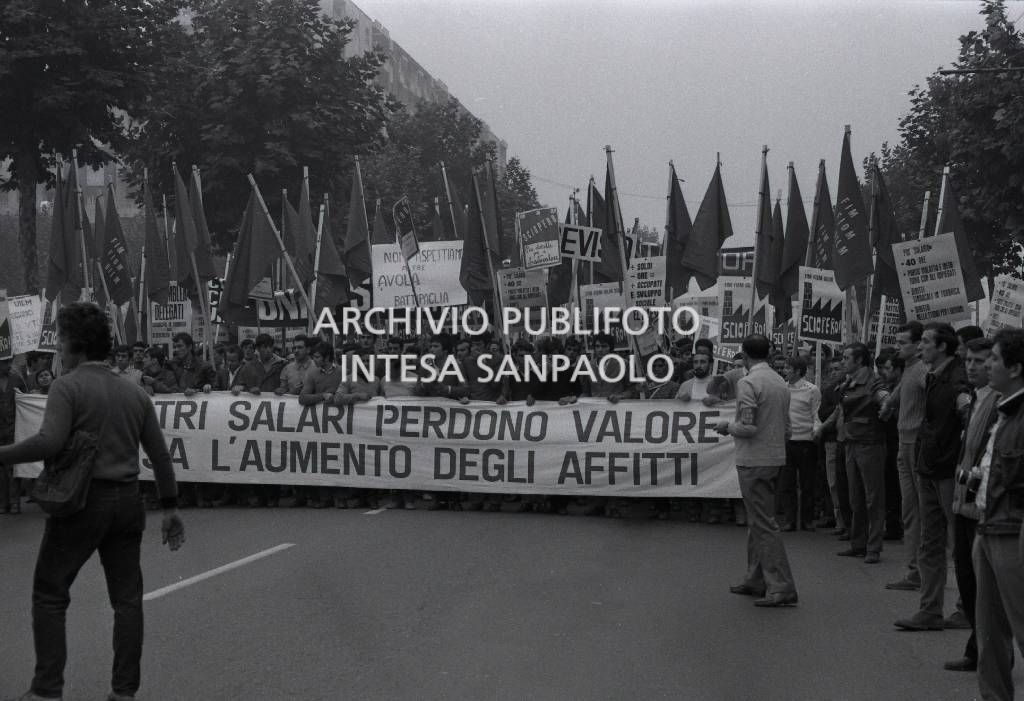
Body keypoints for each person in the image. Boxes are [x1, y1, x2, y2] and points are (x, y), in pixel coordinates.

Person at [0, 302, 184, 701]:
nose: (59, 352)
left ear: (77, 345)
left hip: (81, 502)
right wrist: (170, 508)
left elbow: (48, 441)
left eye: (61, 343)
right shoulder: (134, 393)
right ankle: (124, 692)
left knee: (50, 593)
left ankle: (47, 689)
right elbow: (160, 456)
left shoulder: (67, 386)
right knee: (127, 600)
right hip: (128, 502)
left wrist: (3, 454)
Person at [895, 322, 970, 631]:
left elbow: (967, 418)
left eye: (926, 341)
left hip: (947, 470)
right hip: (928, 465)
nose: (920, 346)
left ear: (942, 346)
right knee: (930, 542)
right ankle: (929, 610)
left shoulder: (958, 380)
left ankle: (966, 607)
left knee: (958, 543)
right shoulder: (933, 376)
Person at [715, 334, 798, 607]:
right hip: (774, 457)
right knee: (758, 520)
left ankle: (781, 585)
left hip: (754, 460)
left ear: (744, 354)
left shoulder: (749, 383)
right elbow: (787, 427)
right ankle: (756, 578)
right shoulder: (780, 382)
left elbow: (748, 426)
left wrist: (727, 427)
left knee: (763, 524)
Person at [972, 328, 1024, 701]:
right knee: (989, 631)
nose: (987, 365)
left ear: (1016, 368)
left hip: (1012, 533)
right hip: (988, 526)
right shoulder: (1004, 408)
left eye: (993, 358)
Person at [942, 337, 999, 673]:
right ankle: (979, 648)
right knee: (966, 579)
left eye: (981, 361)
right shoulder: (975, 397)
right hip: (963, 501)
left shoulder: (1000, 401)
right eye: (969, 360)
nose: (973, 367)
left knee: (983, 586)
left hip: (982, 506)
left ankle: (990, 652)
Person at [881, 321, 928, 592]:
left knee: (920, 512)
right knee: (910, 512)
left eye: (903, 343)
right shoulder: (910, 369)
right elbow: (899, 393)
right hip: (905, 443)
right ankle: (914, 570)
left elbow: (934, 396)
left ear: (918, 345)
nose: (898, 347)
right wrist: (888, 404)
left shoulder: (922, 370)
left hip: (916, 446)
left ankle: (921, 570)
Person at [835, 342, 890, 564]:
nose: (842, 361)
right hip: (851, 442)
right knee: (855, 497)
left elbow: (885, 398)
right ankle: (858, 543)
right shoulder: (848, 381)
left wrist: (886, 406)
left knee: (873, 498)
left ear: (859, 360)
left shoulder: (873, 381)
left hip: (870, 443)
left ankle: (873, 547)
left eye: (846, 358)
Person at [779, 354, 820, 532]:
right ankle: (790, 520)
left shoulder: (812, 389)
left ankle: (807, 520)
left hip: (806, 441)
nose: (784, 371)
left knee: (807, 483)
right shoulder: (781, 388)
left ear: (798, 371)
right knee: (787, 484)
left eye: (788, 368)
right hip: (786, 441)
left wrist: (816, 430)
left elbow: (816, 414)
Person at [1, 358, 29, 515]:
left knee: (13, 466)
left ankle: (14, 502)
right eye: (4, 363)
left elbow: (26, 401)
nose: (8, 366)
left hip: (14, 428)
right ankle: (2, 502)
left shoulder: (17, 379)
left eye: (9, 362)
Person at [168, 332, 215, 397]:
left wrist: (199, 390)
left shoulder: (205, 366)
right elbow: (166, 384)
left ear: (190, 347)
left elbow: (217, 389)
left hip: (197, 402)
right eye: (175, 347)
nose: (176, 349)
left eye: (180, 346)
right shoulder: (171, 365)